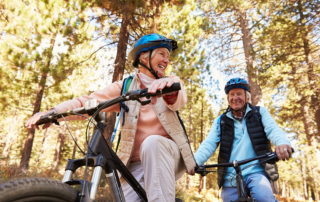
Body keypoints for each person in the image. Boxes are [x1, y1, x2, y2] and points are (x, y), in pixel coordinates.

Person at [25, 33, 196, 202]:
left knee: (153, 143)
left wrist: (169, 89)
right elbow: (87, 102)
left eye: (168, 56)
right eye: (162, 54)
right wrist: (53, 113)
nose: (167, 60)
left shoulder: (170, 82)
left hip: (167, 156)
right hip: (134, 165)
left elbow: (178, 97)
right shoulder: (125, 87)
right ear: (144, 57)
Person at [188, 78, 292, 202]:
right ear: (228, 99)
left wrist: (282, 143)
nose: (235, 97)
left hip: (256, 172)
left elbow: (273, 129)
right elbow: (209, 143)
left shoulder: (259, 113)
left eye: (239, 94)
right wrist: (195, 161)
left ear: (247, 97)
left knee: (263, 197)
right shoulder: (221, 121)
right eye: (231, 94)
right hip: (230, 176)